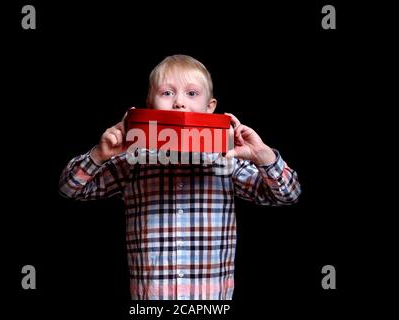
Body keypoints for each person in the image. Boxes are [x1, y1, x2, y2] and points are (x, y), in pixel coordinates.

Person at [59, 54, 301, 300]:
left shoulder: (226, 159)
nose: (179, 104)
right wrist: (100, 154)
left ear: (210, 108)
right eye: (166, 93)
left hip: (212, 302)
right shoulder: (134, 160)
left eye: (192, 94)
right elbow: (71, 189)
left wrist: (262, 155)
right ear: (149, 106)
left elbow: (287, 195)